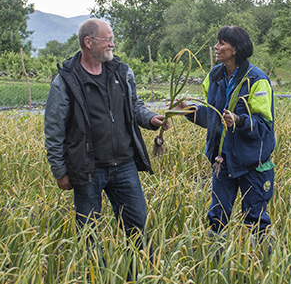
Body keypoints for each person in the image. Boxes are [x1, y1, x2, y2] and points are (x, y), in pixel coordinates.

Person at [44, 18, 169, 278]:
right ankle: (97, 277)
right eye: (107, 39)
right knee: (89, 233)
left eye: (112, 38)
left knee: (138, 228)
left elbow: (135, 106)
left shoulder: (121, 72)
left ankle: (140, 276)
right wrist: (59, 170)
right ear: (88, 43)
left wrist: (151, 118)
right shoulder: (66, 81)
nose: (112, 44)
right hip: (87, 168)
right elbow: (53, 129)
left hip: (124, 165)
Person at [178, 25, 276, 249]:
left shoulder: (257, 80)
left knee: (257, 220)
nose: (216, 47)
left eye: (221, 43)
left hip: (252, 163)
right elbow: (211, 117)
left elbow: (264, 125)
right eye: (217, 42)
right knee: (217, 217)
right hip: (222, 160)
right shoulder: (214, 77)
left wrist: (239, 121)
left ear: (235, 49)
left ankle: (263, 265)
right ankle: (216, 265)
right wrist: (187, 110)